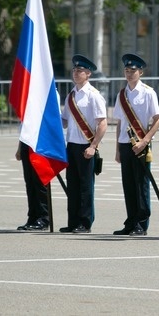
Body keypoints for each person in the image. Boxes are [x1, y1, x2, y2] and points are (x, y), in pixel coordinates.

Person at [112, 54, 159, 236]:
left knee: (141, 185)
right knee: (128, 185)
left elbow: (158, 119)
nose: (129, 73)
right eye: (126, 70)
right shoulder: (122, 94)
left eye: (132, 71)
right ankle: (130, 221)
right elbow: (119, 123)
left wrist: (145, 140)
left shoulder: (148, 92)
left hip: (141, 144)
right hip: (126, 144)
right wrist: (117, 148)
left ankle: (141, 224)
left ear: (140, 72)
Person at [61, 54, 107, 234]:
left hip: (86, 146)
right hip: (71, 145)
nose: (75, 73)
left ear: (88, 74)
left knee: (86, 187)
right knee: (72, 185)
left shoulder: (93, 95)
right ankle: (73, 221)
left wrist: (93, 146)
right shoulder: (71, 95)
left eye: (79, 70)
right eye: (74, 70)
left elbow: (102, 124)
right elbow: (64, 121)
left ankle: (84, 223)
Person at [15, 142, 51, 231]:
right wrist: (20, 148)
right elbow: (24, 131)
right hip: (26, 144)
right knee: (30, 184)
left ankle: (43, 218)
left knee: (39, 183)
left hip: (39, 145)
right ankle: (33, 217)